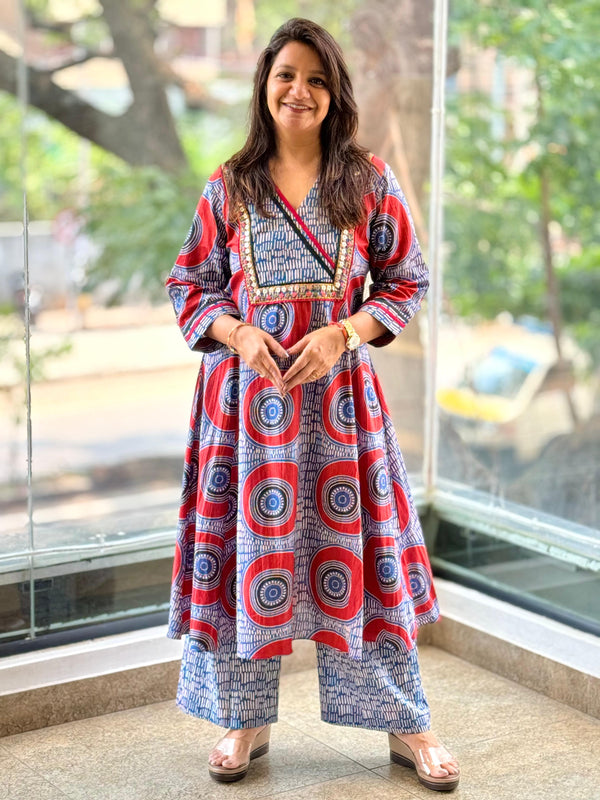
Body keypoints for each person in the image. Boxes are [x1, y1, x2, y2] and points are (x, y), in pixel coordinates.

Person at [165, 17, 460, 793]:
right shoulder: (228, 185)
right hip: (246, 418)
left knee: (365, 560)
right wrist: (235, 334)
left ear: (335, 94)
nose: (300, 91)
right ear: (265, 85)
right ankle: (244, 718)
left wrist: (343, 334)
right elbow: (187, 285)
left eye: (317, 79)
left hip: (340, 414)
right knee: (245, 561)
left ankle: (409, 724)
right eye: (287, 75)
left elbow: (407, 281)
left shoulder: (368, 181)